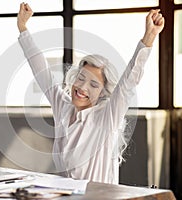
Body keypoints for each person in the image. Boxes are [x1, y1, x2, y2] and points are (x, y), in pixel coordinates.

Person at [17, 2, 165, 184]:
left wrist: (149, 37)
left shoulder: (105, 117)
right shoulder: (63, 106)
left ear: (102, 93)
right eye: (81, 78)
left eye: (94, 85)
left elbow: (128, 83)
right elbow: (41, 71)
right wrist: (23, 28)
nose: (82, 87)